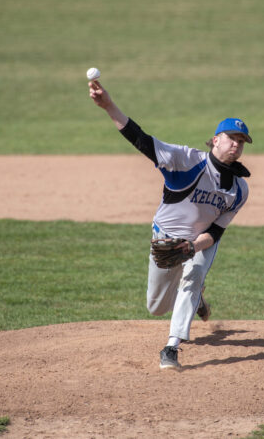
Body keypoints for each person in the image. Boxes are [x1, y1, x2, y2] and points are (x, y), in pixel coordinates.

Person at [89, 79, 252, 369]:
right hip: (164, 238)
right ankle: (197, 300)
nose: (236, 145)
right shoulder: (185, 160)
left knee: (193, 276)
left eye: (241, 142)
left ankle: (171, 348)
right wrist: (108, 106)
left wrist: (192, 246)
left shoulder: (240, 190)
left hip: (199, 243)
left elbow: (215, 232)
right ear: (216, 139)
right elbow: (140, 139)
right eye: (231, 138)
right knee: (156, 307)